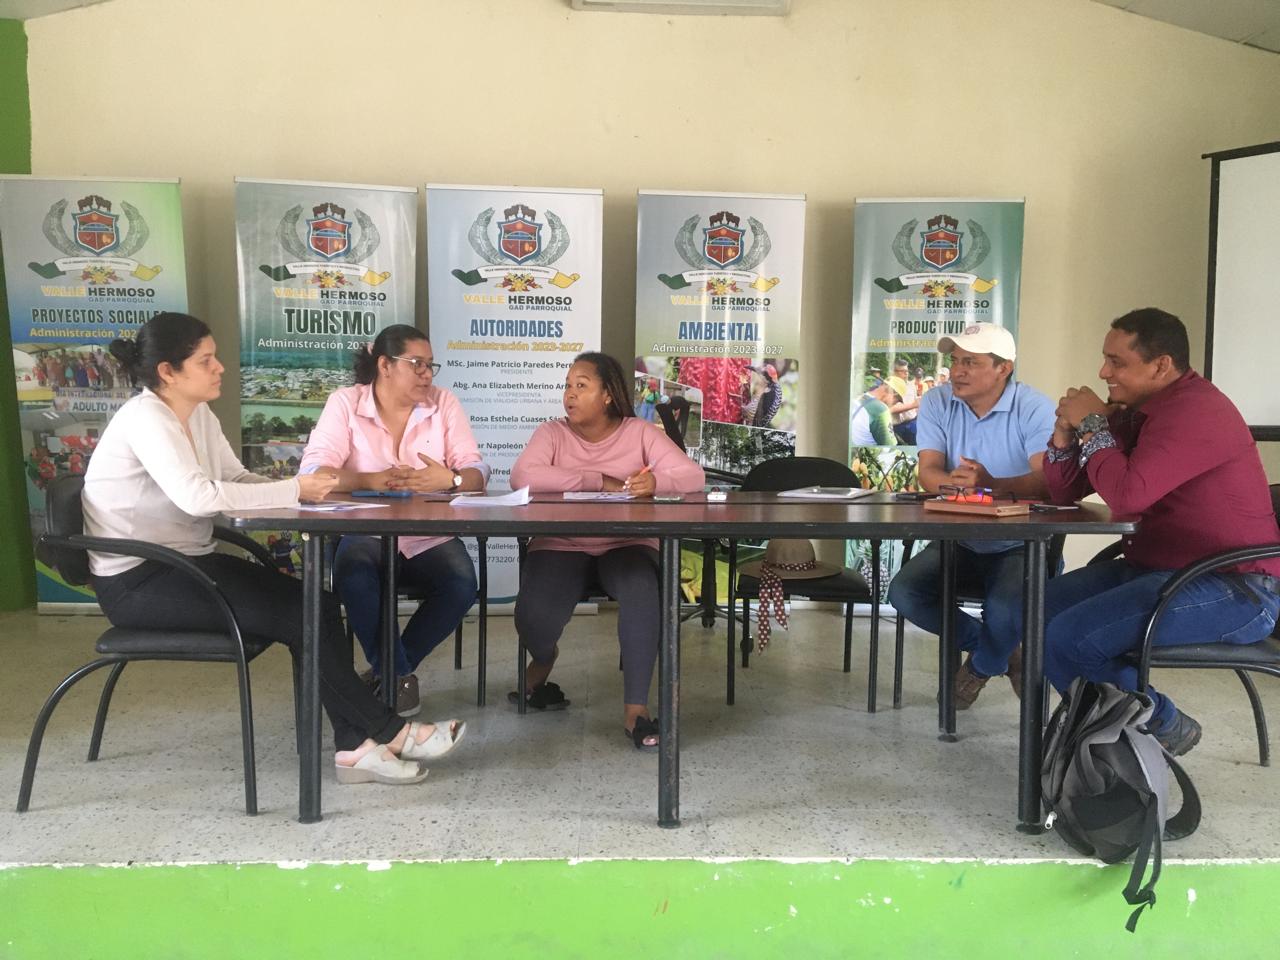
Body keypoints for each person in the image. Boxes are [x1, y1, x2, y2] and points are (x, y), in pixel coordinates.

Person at [81, 312, 464, 786]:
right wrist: (295, 488)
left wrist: (305, 494)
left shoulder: (197, 414)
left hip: (186, 562)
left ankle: (355, 750)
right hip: (138, 580)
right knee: (301, 616)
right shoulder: (146, 418)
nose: (220, 367)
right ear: (168, 371)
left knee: (319, 604)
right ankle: (396, 734)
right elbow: (198, 497)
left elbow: (237, 479)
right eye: (206, 360)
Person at [1043, 308, 1280, 756]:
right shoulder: (1138, 412)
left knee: (1069, 636)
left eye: (1116, 362)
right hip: (1158, 569)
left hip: (1236, 588)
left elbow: (1127, 496)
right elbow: (1066, 490)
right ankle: (1113, 730)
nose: (1103, 372)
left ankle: (1157, 724)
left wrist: (1093, 424)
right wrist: (1063, 435)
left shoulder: (1196, 411)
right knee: (1035, 609)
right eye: (1105, 359)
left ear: (1161, 365)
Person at [510, 352, 705, 750]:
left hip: (627, 542)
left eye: (581, 386)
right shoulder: (551, 433)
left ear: (608, 396)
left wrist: (657, 483)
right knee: (533, 618)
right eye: (567, 386)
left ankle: (636, 710)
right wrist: (596, 479)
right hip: (561, 542)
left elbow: (692, 476)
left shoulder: (639, 432)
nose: (570, 394)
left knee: (641, 588)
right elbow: (522, 476)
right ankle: (544, 659)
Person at [301, 324, 487, 719]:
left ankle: (387, 674)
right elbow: (314, 470)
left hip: (427, 533)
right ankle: (398, 677)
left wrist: (451, 479)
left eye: (431, 365)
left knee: (460, 585)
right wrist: (370, 480)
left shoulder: (444, 403)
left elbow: (478, 471)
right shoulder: (345, 403)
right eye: (417, 364)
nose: (427, 374)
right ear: (385, 365)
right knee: (354, 573)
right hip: (365, 529)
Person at [886, 323, 1057, 708]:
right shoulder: (937, 400)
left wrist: (991, 485)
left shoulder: (1034, 407)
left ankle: (980, 667)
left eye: (971, 362)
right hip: (958, 538)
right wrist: (963, 488)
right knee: (904, 593)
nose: (957, 371)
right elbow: (928, 471)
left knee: (1006, 610)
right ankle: (1002, 652)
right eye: (955, 361)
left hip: (1020, 542)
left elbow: (1049, 481)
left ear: (1003, 368)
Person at [849, 375, 906, 447]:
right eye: (897, 401)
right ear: (894, 394)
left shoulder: (861, 397)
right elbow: (891, 445)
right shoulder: (881, 410)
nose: (894, 404)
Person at [889, 357, 920, 445]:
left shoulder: (911, 386)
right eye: (902, 371)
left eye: (907, 371)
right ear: (895, 372)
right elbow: (891, 409)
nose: (906, 373)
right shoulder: (889, 386)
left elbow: (916, 402)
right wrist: (913, 405)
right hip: (896, 426)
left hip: (912, 423)